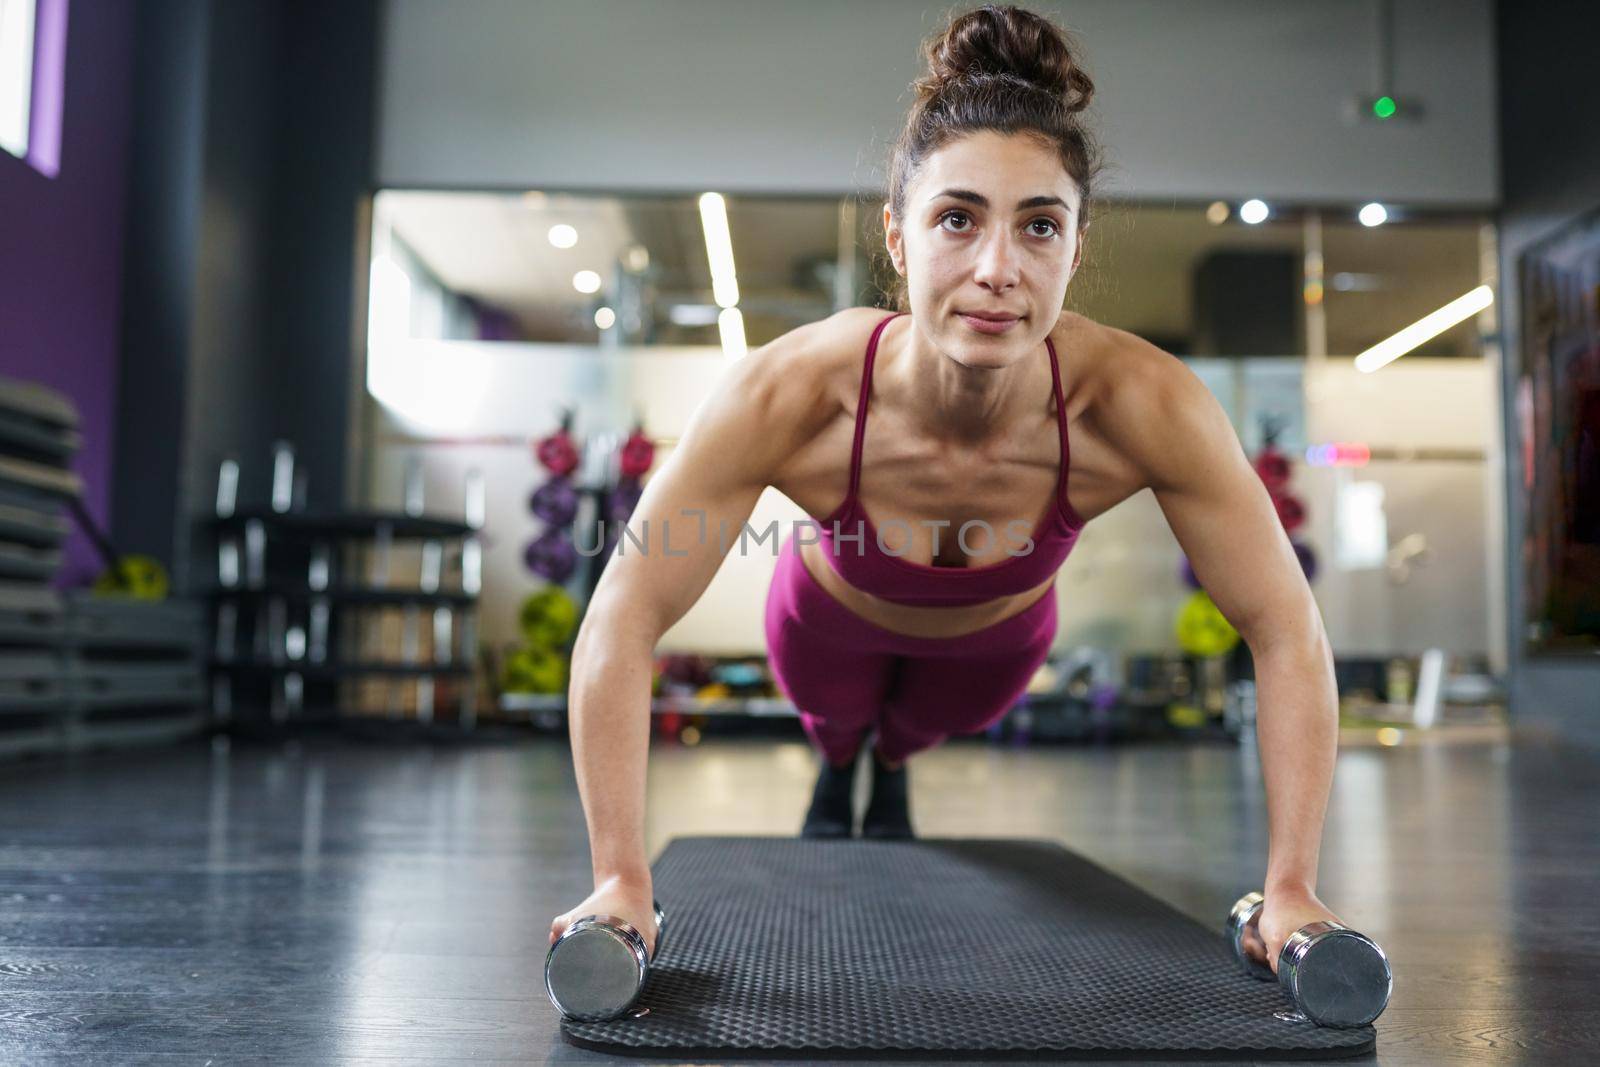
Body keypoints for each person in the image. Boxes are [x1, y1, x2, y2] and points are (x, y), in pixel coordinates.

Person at [550, 4, 1345, 977]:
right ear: (897, 236)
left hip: (998, 637)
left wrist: (1293, 880)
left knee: (926, 726)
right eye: (956, 219)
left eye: (1039, 226)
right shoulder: (789, 389)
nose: (996, 270)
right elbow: (624, 609)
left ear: (1075, 249)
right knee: (834, 716)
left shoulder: (1143, 400)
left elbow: (1284, 626)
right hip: (827, 617)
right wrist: (619, 875)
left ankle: (888, 763)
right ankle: (843, 758)